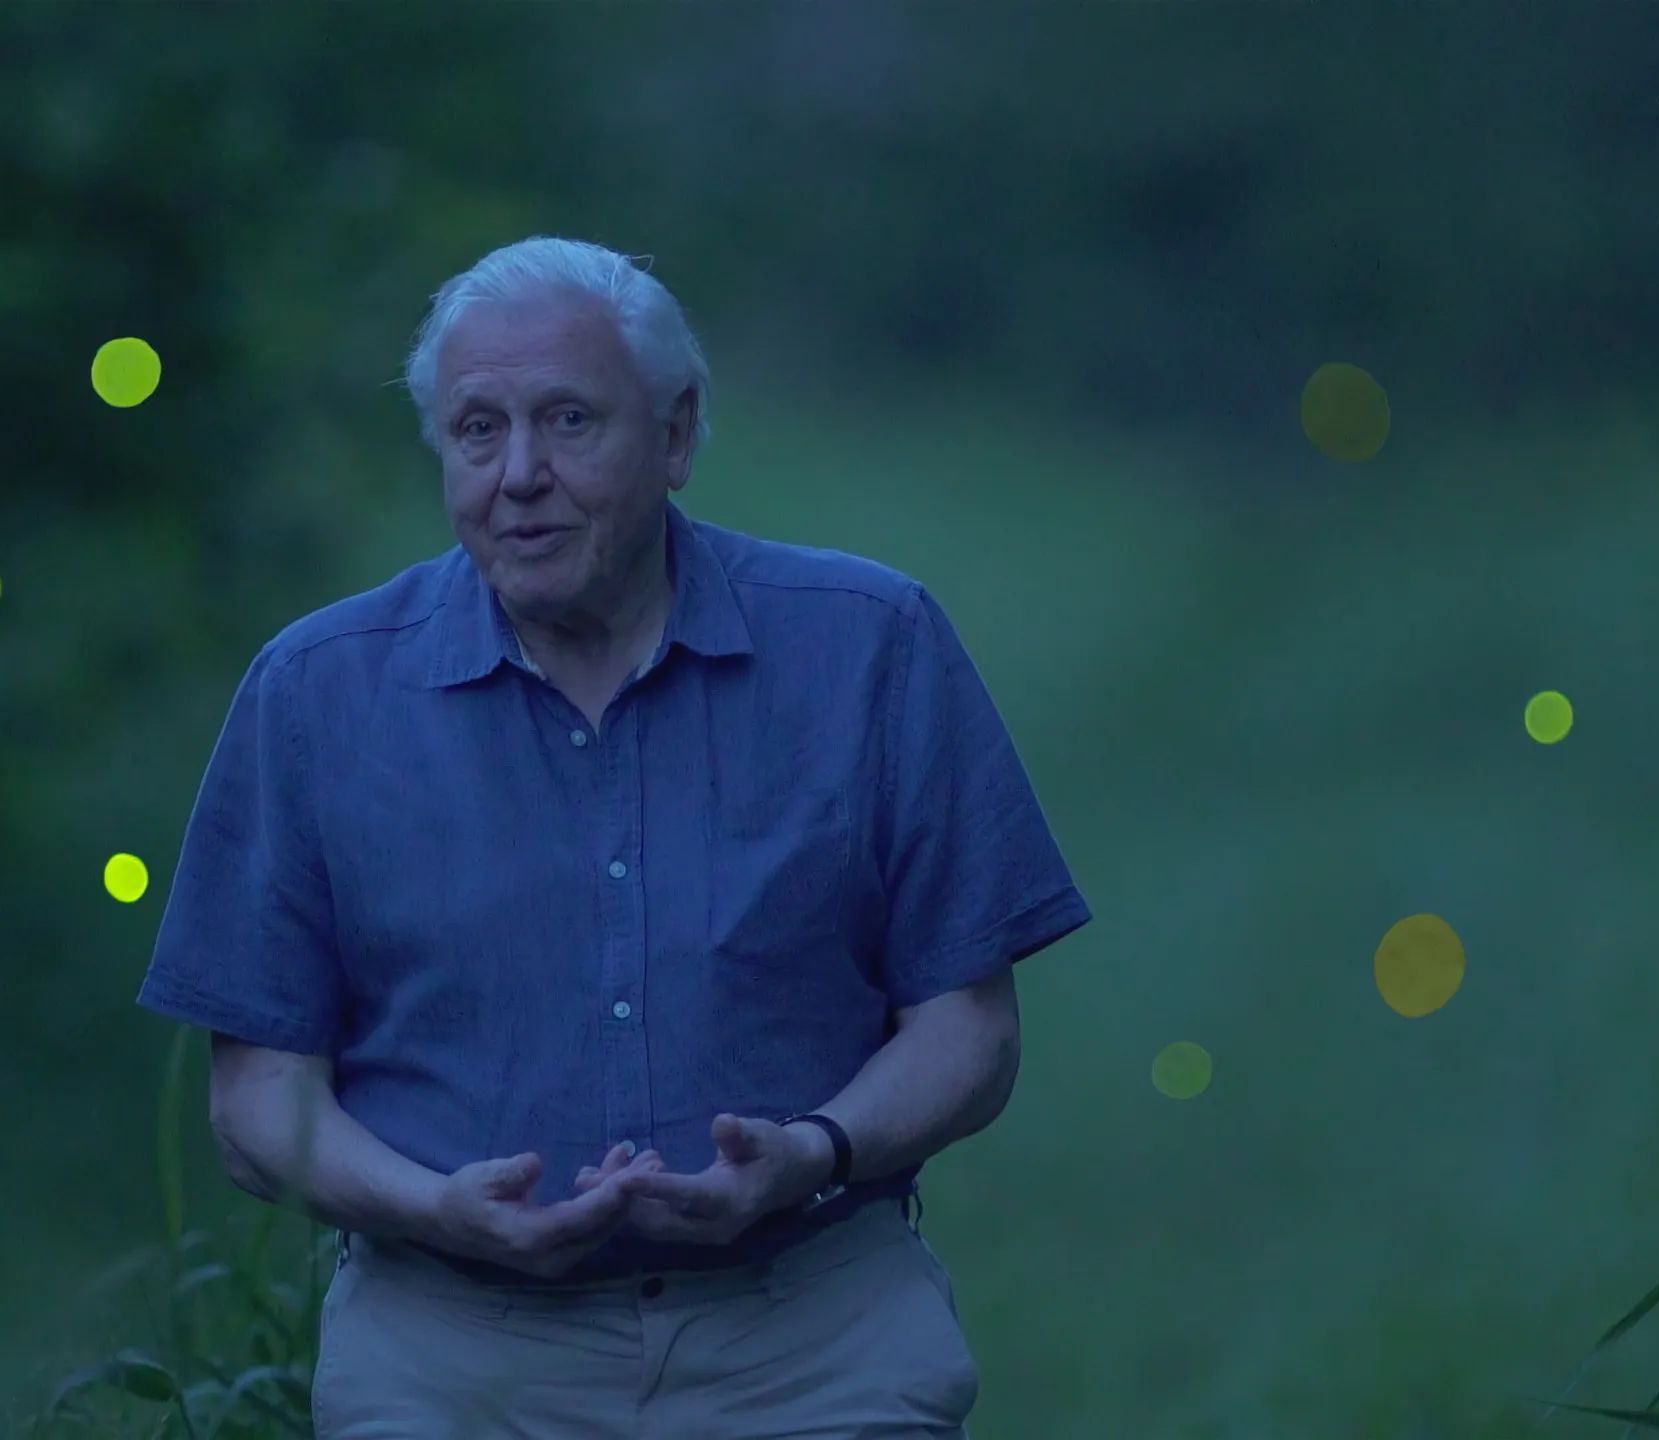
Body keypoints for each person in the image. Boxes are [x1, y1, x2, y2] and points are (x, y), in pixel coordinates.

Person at [134, 235, 1091, 1439]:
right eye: (479, 431)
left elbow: (970, 1026)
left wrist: (812, 1151)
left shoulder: (869, 646)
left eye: (570, 421)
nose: (519, 473)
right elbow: (256, 1098)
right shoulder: (316, 693)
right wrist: (434, 1209)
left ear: (677, 436)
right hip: (449, 1354)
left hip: (811, 1335)